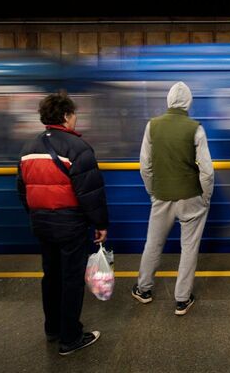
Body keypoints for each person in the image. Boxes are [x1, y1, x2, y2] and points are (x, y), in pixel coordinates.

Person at [17, 91, 109, 356]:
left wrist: (38, 215)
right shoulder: (78, 147)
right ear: (67, 116)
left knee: (51, 275)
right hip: (70, 225)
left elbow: (22, 190)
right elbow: (90, 193)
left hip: (42, 223)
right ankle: (70, 337)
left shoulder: (28, 148)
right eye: (74, 113)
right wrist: (100, 224)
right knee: (71, 279)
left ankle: (53, 328)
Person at [131, 82, 214, 316]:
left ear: (168, 100)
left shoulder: (152, 126)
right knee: (189, 248)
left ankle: (144, 289)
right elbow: (207, 171)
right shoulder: (195, 128)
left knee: (153, 243)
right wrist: (205, 197)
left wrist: (153, 191)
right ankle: (182, 299)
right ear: (188, 102)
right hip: (191, 196)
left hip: (161, 195)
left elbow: (144, 166)